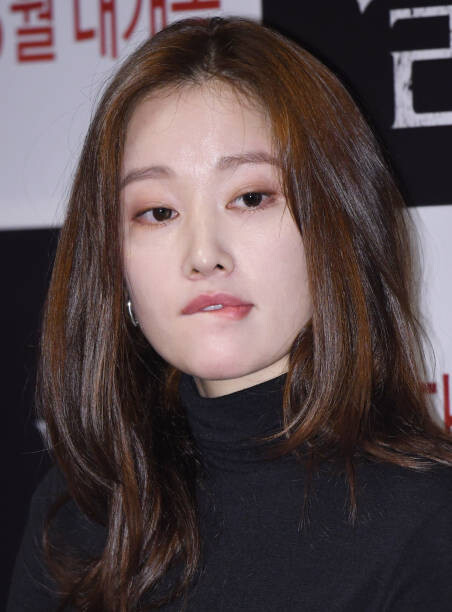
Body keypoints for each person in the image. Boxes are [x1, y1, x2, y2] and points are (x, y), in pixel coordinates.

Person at [7, 16, 452, 612]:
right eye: (158, 212)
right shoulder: (80, 510)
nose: (203, 255)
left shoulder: (427, 521)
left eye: (250, 198)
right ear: (112, 261)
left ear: (337, 223)